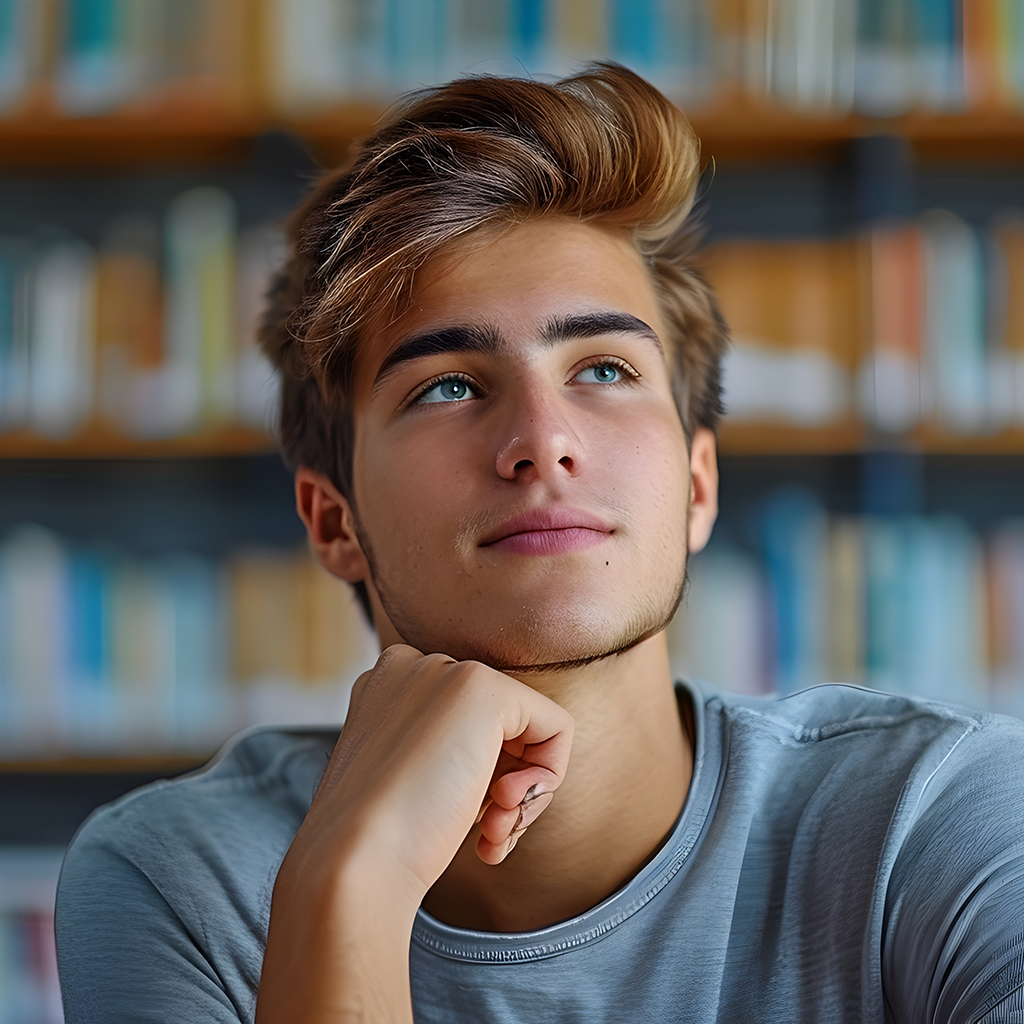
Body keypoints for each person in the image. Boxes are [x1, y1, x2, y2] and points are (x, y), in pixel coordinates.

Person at [56, 64, 1024, 1024]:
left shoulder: (942, 824)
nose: (541, 440)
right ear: (333, 521)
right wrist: (351, 883)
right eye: (447, 385)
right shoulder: (179, 880)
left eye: (602, 367)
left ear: (697, 485)